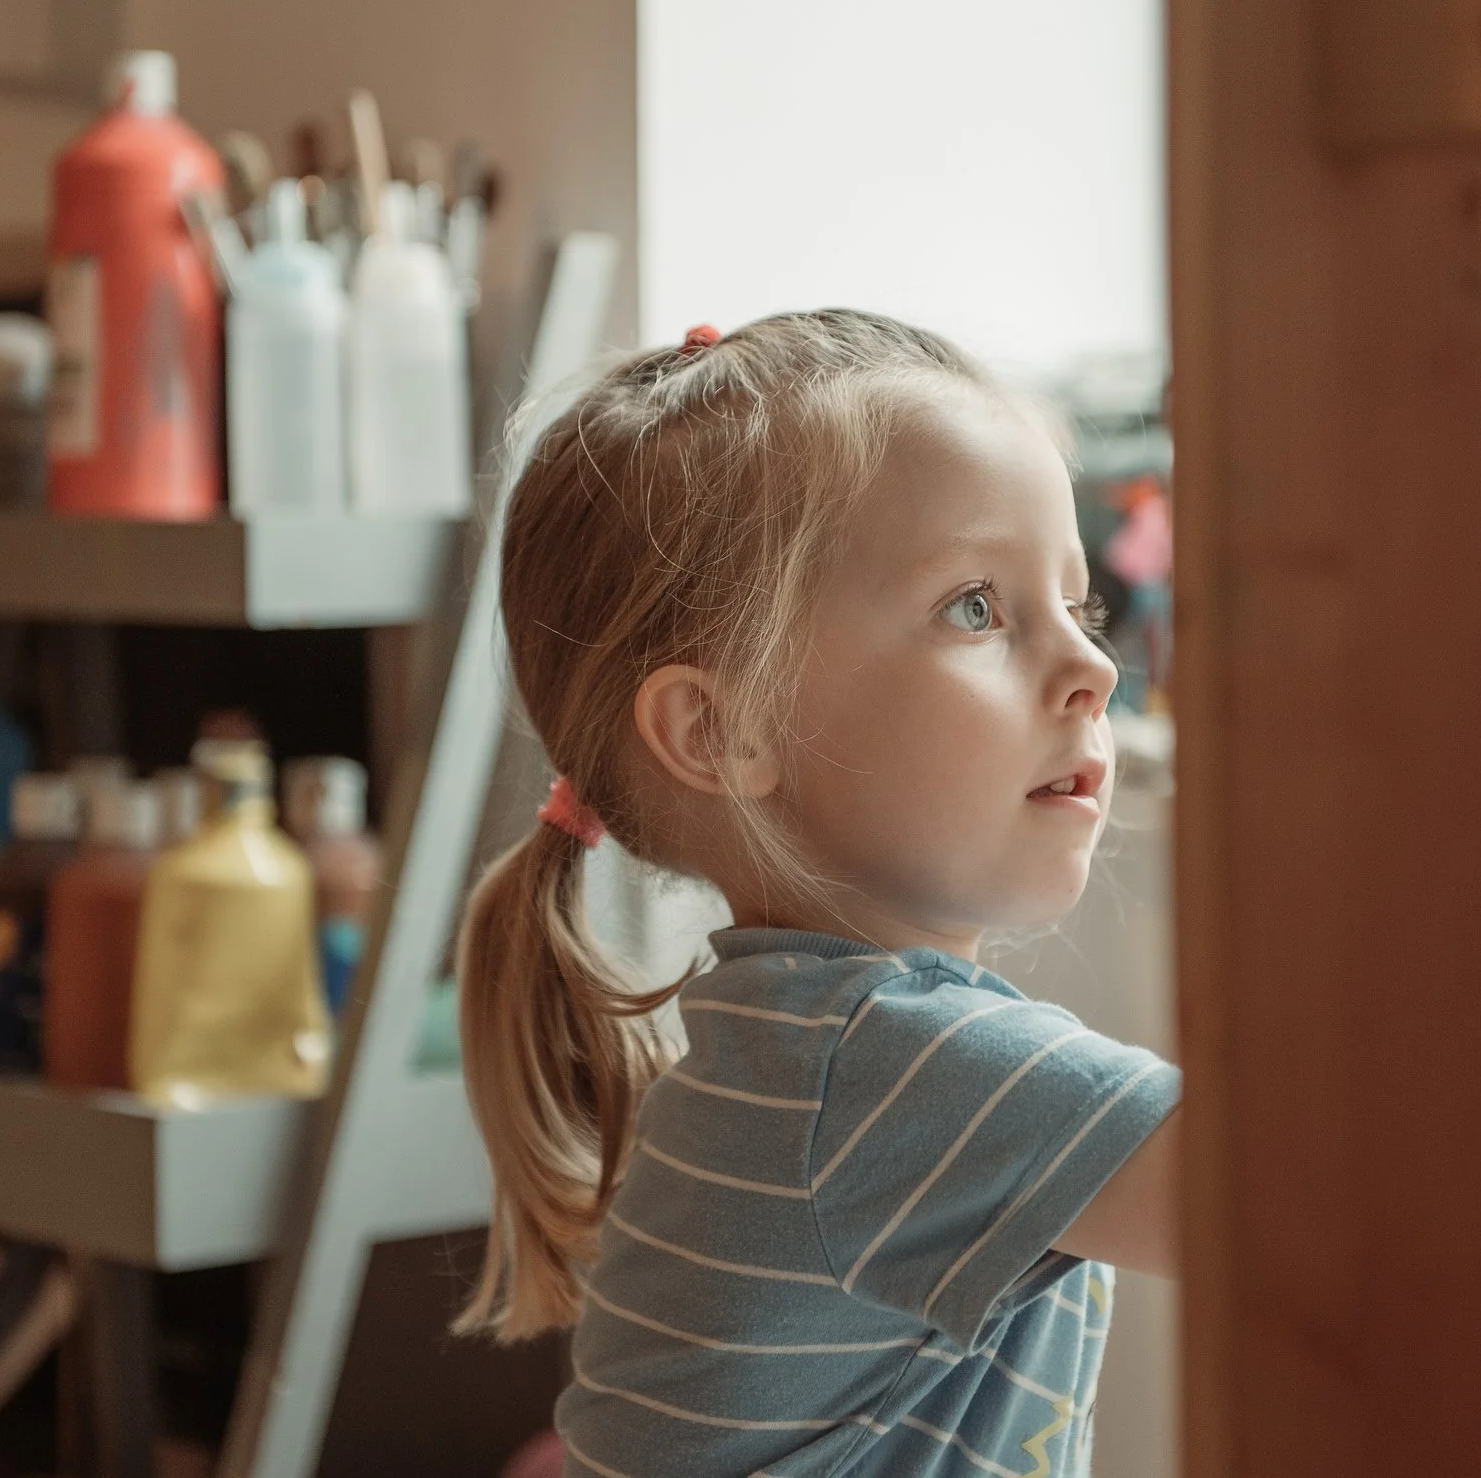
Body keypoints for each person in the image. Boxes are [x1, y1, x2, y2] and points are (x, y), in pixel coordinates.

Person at [455, 310, 1182, 1477]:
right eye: (978, 608)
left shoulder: (798, 1052)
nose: (1094, 666)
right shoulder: (890, 1066)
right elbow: (1304, 1204)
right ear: (725, 728)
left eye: (1079, 607)